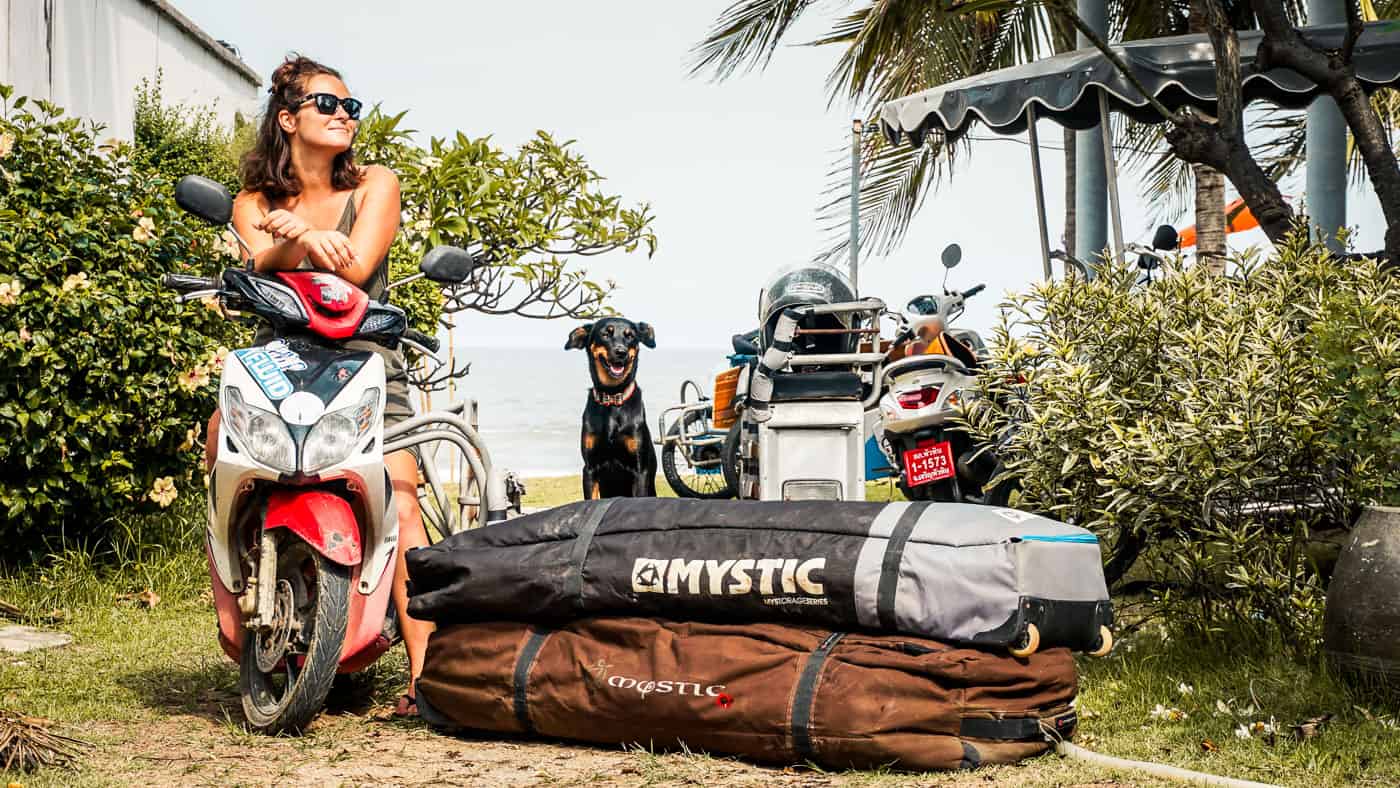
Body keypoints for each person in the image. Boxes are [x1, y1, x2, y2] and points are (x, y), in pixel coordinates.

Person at [205, 54, 429, 717]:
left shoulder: (375, 186)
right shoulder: (254, 203)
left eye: (350, 108)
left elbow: (355, 269)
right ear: (287, 118)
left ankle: (425, 680)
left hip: (365, 363)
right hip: (281, 360)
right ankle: (244, 590)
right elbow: (256, 271)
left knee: (403, 494)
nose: (344, 117)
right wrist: (293, 238)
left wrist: (300, 235)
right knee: (223, 440)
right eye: (328, 105)